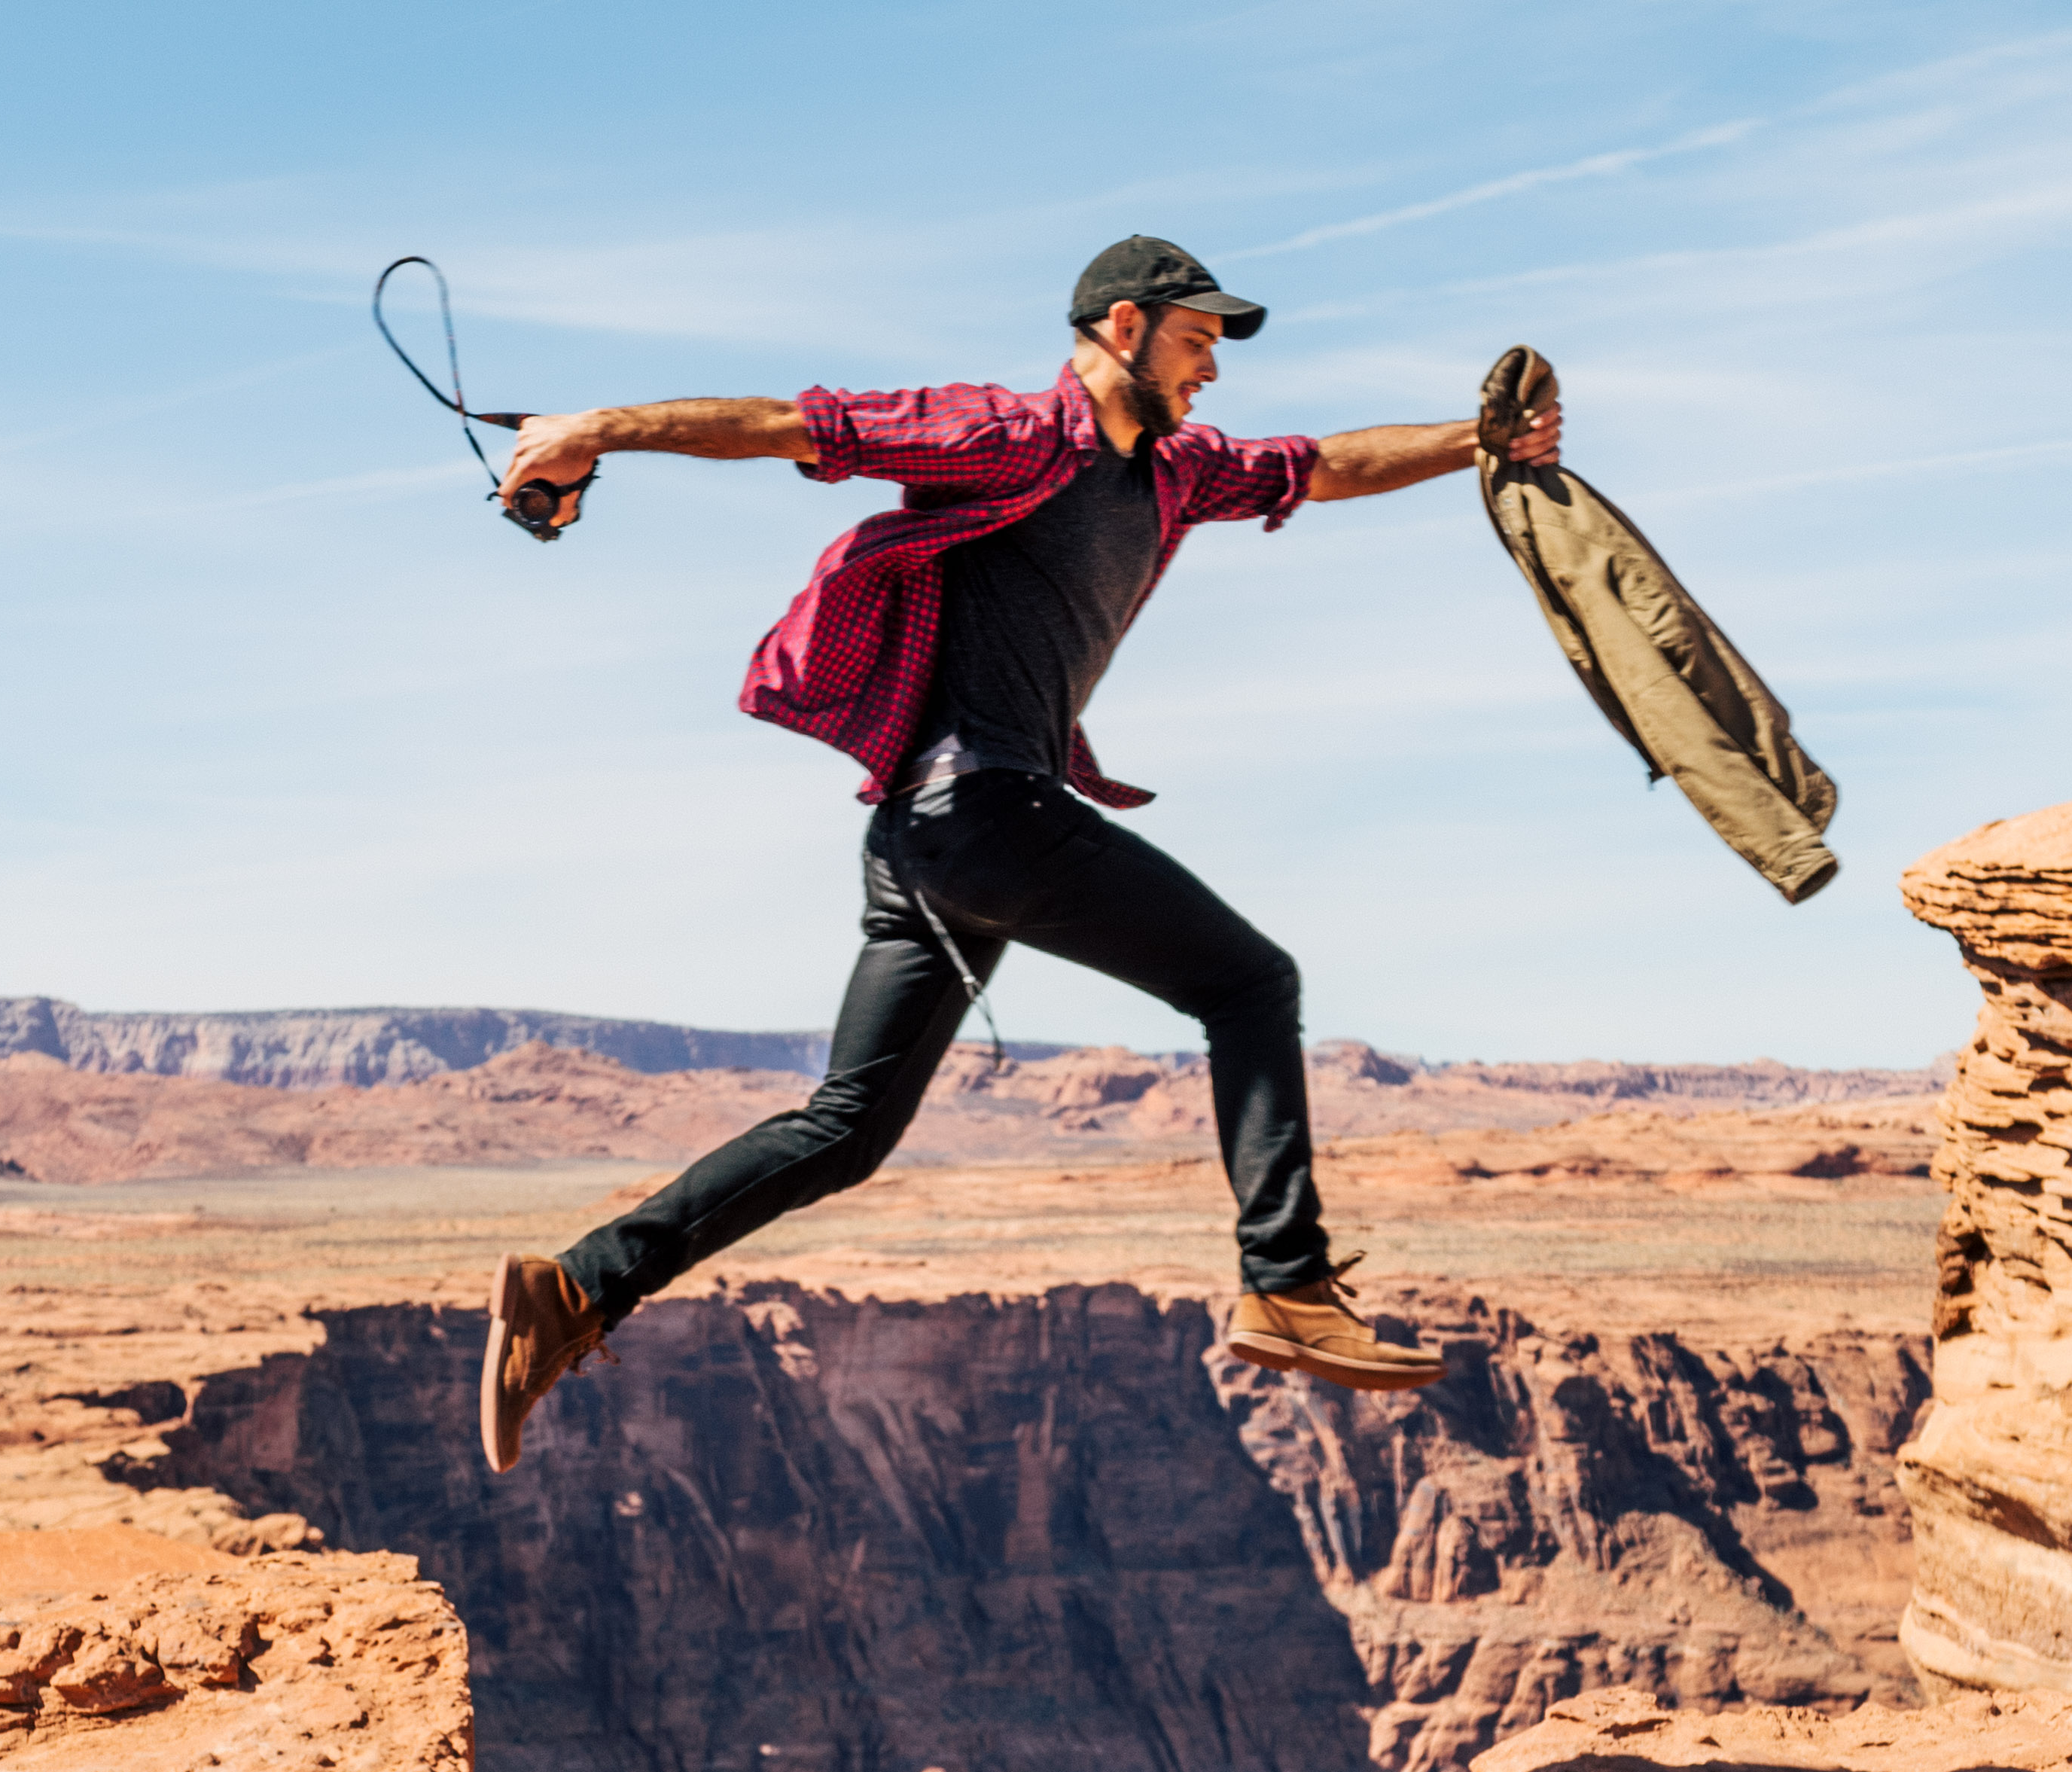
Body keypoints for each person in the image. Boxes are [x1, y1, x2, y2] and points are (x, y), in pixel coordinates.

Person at [474, 234, 1562, 1471]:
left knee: (845, 1129)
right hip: (979, 813)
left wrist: (1480, 443)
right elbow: (794, 426)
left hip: (928, 839)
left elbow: (1324, 465)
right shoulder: (1010, 435)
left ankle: (574, 1292)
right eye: (1197, 340)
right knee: (1250, 985)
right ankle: (1288, 1284)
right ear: (1122, 328)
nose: (1211, 371)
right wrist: (592, 430)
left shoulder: (1176, 472)